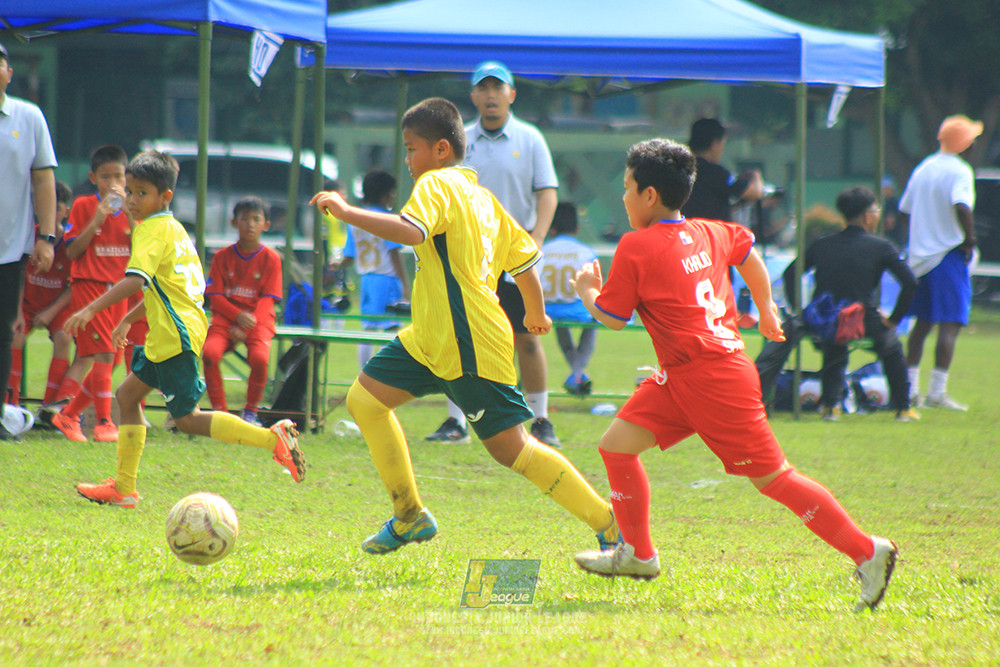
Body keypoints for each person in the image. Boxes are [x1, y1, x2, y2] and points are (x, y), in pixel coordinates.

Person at [570, 138, 898, 613]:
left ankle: (869, 552)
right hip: (689, 374)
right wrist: (765, 309)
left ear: (649, 196)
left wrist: (587, 291)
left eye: (626, 188)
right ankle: (638, 555)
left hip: (711, 379)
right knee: (616, 445)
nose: (622, 198)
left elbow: (613, 318)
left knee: (775, 480)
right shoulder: (710, 230)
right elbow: (748, 253)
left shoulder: (637, 245)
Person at [309, 97, 620, 556]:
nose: (408, 162)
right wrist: (535, 313)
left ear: (439, 150)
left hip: (470, 340)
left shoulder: (436, 185)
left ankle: (609, 523)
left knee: (512, 449)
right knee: (365, 401)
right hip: (429, 337)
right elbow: (526, 264)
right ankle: (410, 515)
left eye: (411, 150)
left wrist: (347, 211)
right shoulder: (486, 200)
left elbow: (412, 232)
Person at [67, 150, 305, 509]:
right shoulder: (175, 229)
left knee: (188, 420)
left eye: (141, 192)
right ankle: (124, 489)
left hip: (174, 335)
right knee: (128, 396)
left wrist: (91, 308)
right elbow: (164, 287)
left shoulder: (151, 229)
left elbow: (135, 280)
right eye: (129, 191)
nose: (131, 200)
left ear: (165, 196)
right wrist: (130, 318)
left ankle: (272, 439)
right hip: (173, 330)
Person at [426, 60, 561, 447]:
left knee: (528, 336)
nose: (490, 96)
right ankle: (456, 422)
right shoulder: (459, 140)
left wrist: (536, 236)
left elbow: (546, 191)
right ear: (473, 96)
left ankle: (541, 420)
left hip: (516, 254)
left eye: (497, 88)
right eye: (483, 88)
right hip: (469, 255)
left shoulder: (530, 138)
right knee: (460, 339)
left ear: (511, 95)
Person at [782, 186, 919, 422]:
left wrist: (801, 312)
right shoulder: (881, 246)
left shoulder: (822, 244)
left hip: (825, 320)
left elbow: (790, 273)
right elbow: (911, 283)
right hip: (863, 319)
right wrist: (894, 319)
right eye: (876, 209)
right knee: (892, 349)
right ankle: (903, 408)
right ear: (868, 216)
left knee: (834, 345)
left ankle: (830, 407)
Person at [899, 115, 982, 412]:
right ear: (965, 144)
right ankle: (937, 391)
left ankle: (909, 389)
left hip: (920, 257)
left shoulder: (923, 168)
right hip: (948, 255)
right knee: (950, 323)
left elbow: (905, 209)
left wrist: (921, 235)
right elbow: (962, 205)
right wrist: (969, 239)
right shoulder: (960, 171)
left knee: (922, 324)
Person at [49, 145, 131, 443]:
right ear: (93, 177)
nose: (112, 183)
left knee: (111, 359)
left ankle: (68, 415)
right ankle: (105, 423)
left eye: (118, 176)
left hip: (119, 291)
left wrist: (129, 213)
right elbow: (71, 251)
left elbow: (141, 246)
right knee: (104, 354)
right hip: (90, 288)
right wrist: (96, 220)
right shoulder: (84, 206)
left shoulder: (133, 208)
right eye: (106, 176)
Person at [0, 41, 58, 441]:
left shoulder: (28, 115)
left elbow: (43, 179)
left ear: (8, 72)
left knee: (3, 331)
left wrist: (47, 236)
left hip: (9, 247)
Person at [202, 196, 283, 426]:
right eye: (244, 219)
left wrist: (248, 325)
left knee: (259, 359)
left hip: (258, 321)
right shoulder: (221, 256)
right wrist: (236, 317)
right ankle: (221, 412)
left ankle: (250, 411)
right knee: (210, 354)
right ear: (234, 222)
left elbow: (269, 299)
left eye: (256, 219)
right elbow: (214, 297)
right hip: (226, 319)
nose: (250, 224)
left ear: (266, 225)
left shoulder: (272, 258)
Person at [682, 118, 764, 327]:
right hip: (711, 251)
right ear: (715, 143)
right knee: (715, 311)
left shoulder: (679, 171)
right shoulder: (715, 173)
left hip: (681, 248)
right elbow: (754, 192)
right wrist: (754, 175)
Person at [7, 181, 74, 413]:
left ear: (66, 211)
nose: (50, 212)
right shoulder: (28, 237)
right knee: (15, 337)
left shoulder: (71, 243)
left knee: (64, 338)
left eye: (57, 207)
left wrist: (50, 313)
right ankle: (10, 404)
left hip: (55, 305)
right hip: (25, 303)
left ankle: (51, 407)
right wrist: (18, 314)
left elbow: (73, 286)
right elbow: (18, 279)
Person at [335, 170, 411, 370]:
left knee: (367, 329)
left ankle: (364, 373)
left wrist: (335, 266)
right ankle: (385, 374)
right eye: (392, 193)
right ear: (385, 195)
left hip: (366, 280)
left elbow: (349, 257)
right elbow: (394, 254)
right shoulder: (387, 219)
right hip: (386, 279)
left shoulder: (356, 220)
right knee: (390, 329)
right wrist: (405, 286)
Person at [540, 202, 599, 396]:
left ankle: (576, 375)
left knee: (560, 321)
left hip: (546, 308)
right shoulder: (586, 252)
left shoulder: (543, 249)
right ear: (577, 227)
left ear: (552, 227)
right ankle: (577, 374)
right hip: (577, 307)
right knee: (594, 317)